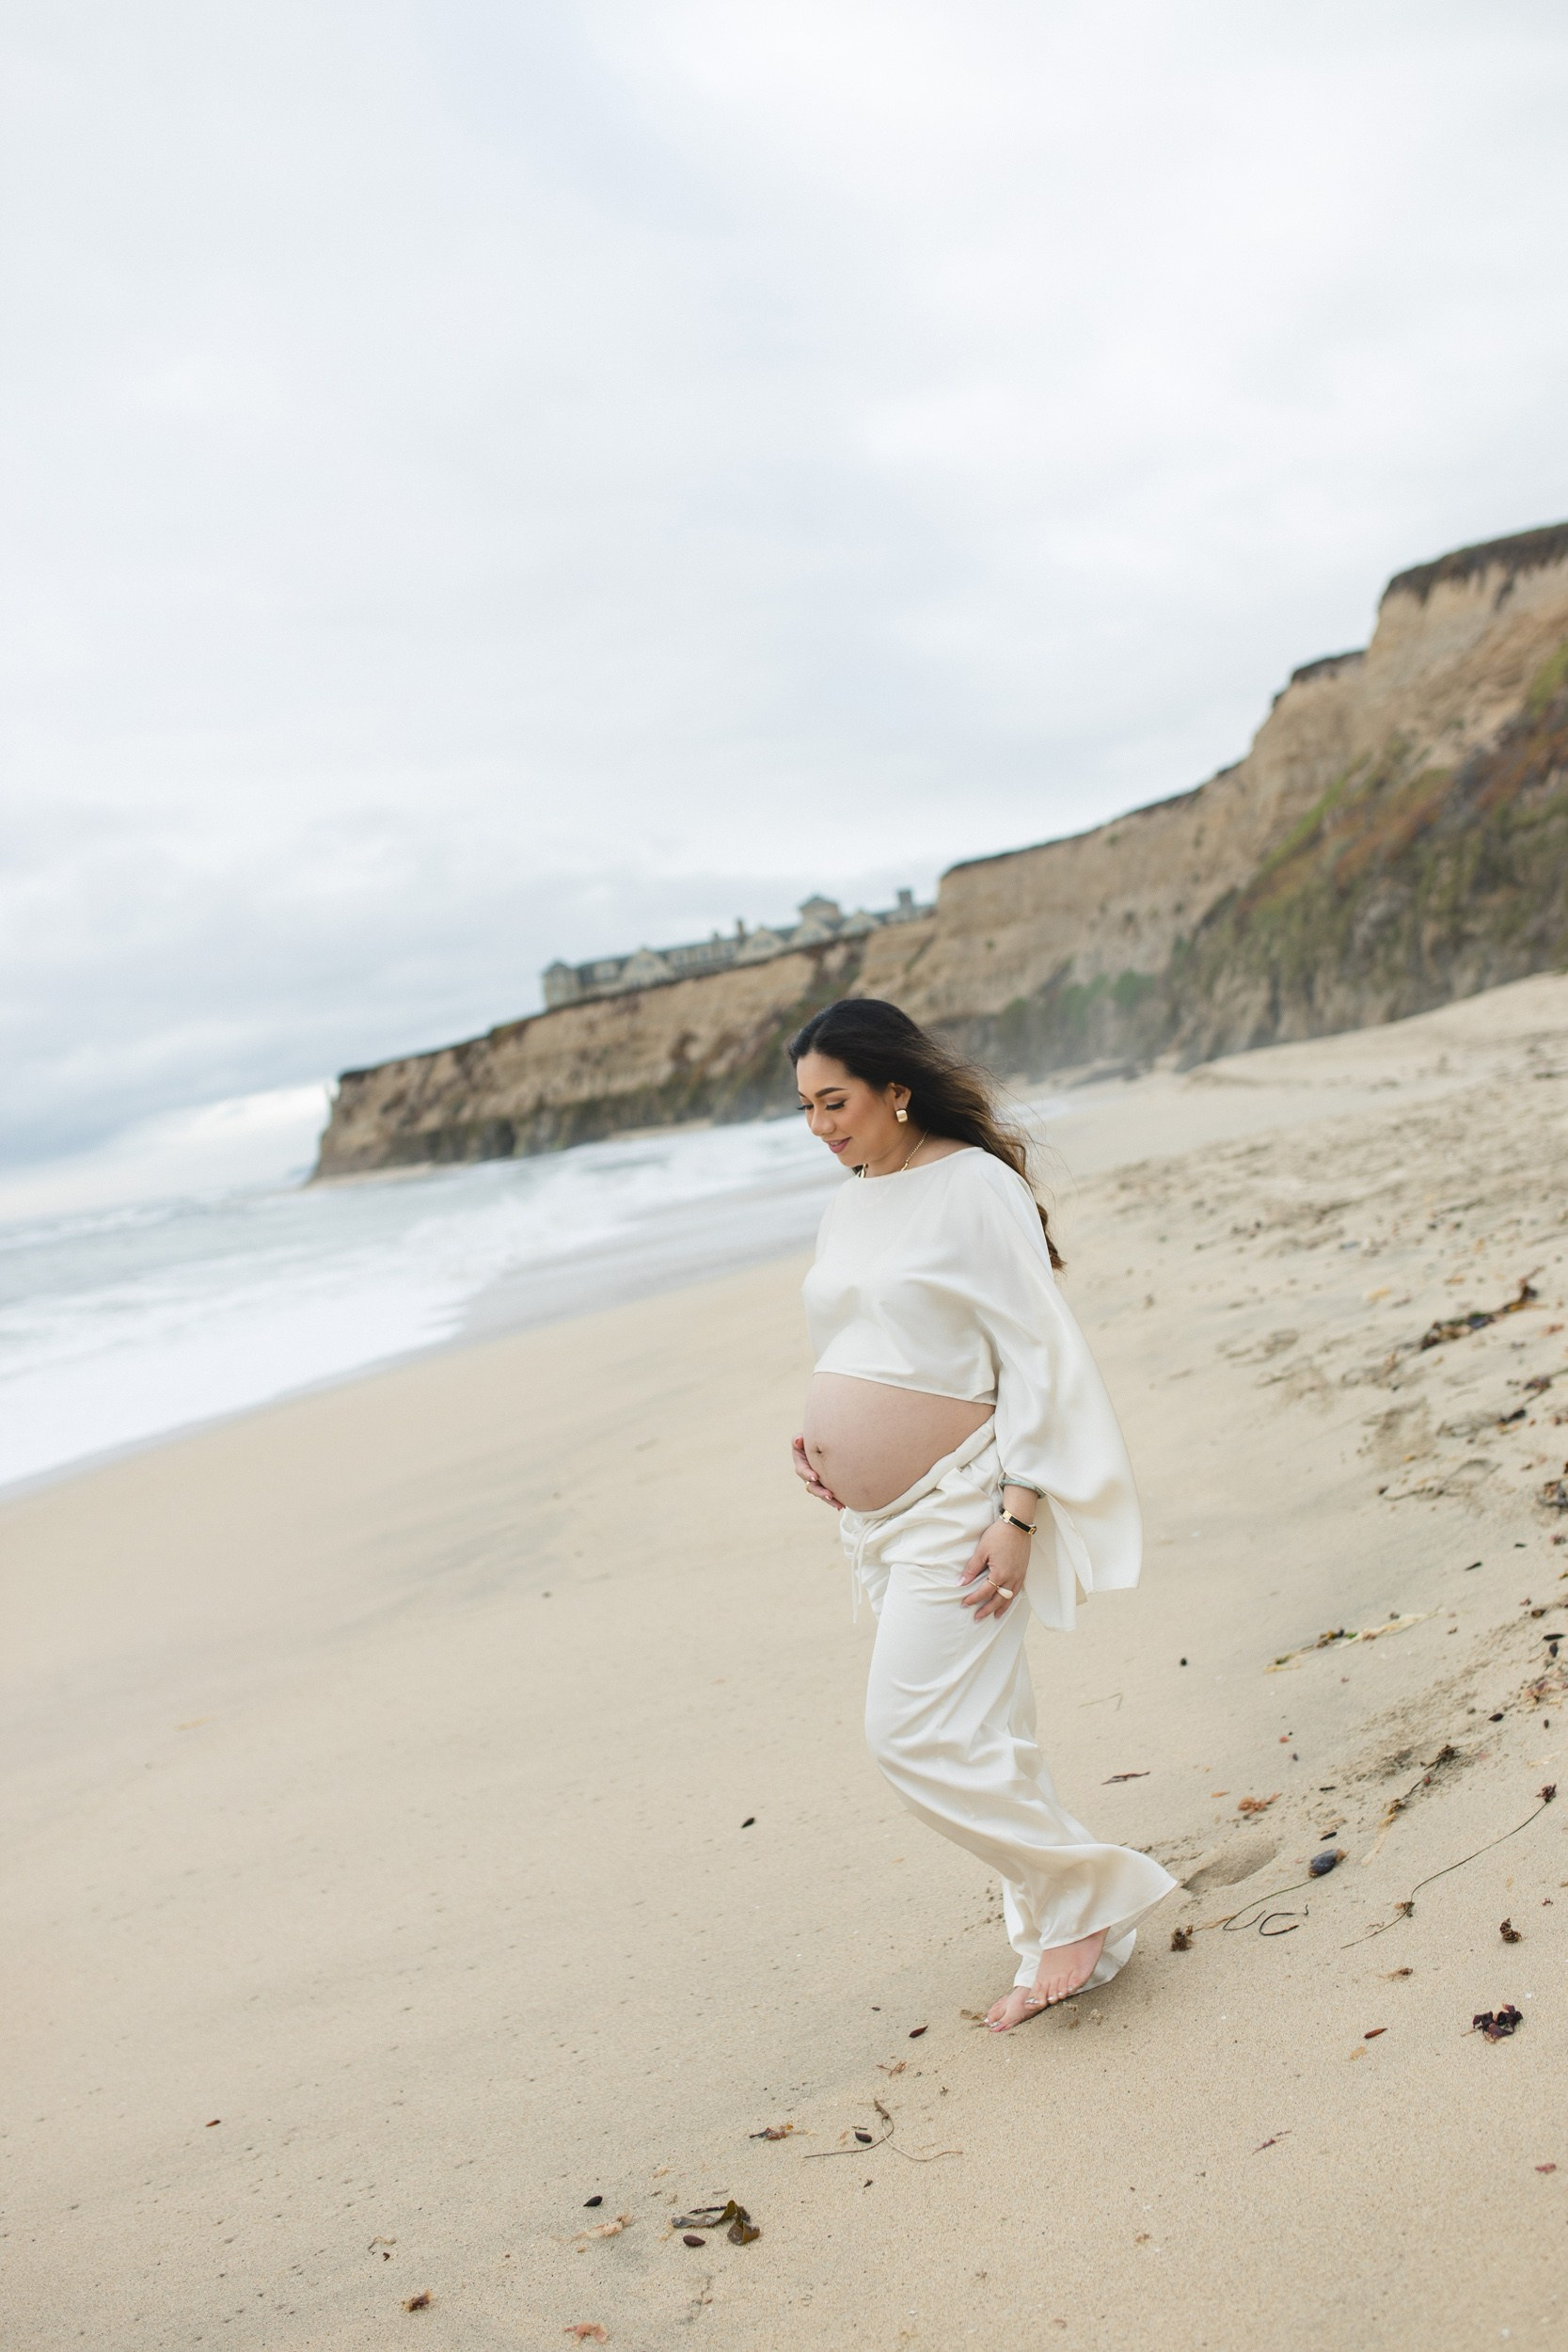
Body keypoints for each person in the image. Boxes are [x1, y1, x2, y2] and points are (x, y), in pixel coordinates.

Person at [789, 997, 1176, 2030]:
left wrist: (1019, 1510)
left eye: (836, 1101)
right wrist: (821, 1438)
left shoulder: (974, 1185)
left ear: (895, 1089)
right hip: (882, 1519)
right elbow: (864, 1333)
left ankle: (1087, 1895)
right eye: (806, 1109)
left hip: (967, 1505)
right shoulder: (853, 1196)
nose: (821, 1125)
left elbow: (1035, 1351)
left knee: (907, 1733)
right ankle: (1065, 1935)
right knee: (980, 1729)